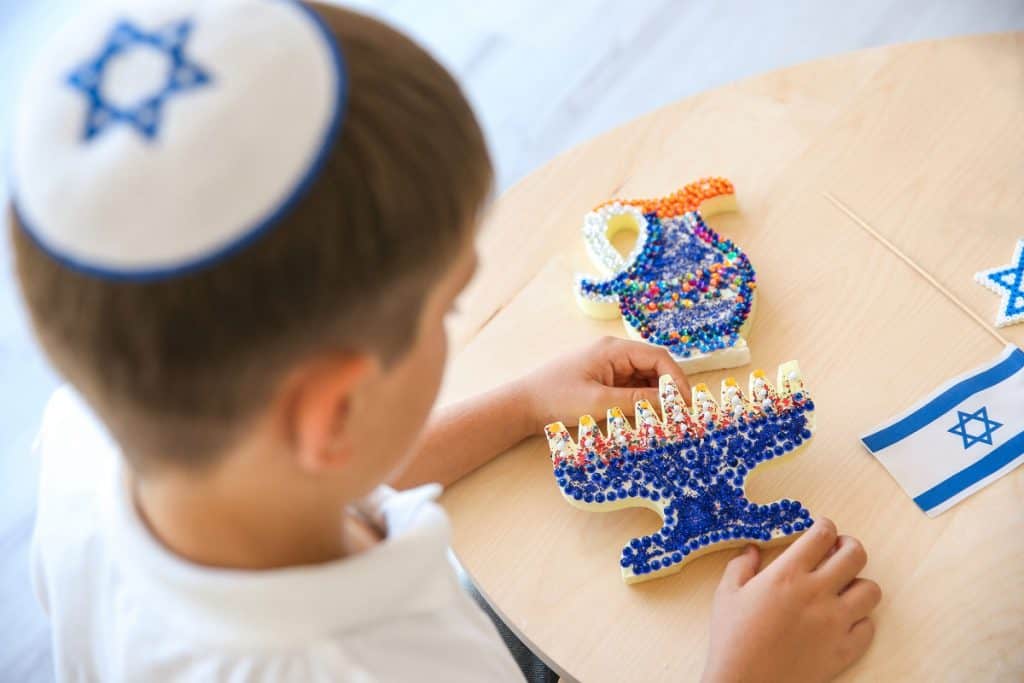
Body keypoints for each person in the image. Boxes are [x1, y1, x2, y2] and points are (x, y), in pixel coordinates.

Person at [9, 1, 880, 680]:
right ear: (335, 409)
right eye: (446, 308)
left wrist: (520, 404)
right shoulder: (376, 665)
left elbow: (327, 473)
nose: (456, 323)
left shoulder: (101, 435)